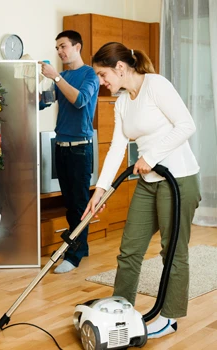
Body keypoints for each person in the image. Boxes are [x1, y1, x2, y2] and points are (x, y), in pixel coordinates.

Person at [82, 42, 201, 339]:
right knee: (130, 250)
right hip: (149, 183)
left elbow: (186, 125)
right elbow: (117, 150)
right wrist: (100, 190)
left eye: (102, 73)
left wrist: (151, 156)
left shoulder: (156, 86)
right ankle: (120, 310)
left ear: (120, 68)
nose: (100, 81)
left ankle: (170, 317)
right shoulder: (123, 101)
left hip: (179, 179)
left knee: (172, 251)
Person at [39, 30, 100, 274]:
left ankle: (74, 254)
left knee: (79, 205)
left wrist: (55, 78)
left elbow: (80, 100)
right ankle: (78, 247)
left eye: (63, 46)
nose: (60, 51)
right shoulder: (61, 76)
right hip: (60, 147)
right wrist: (37, 82)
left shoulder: (90, 75)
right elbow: (44, 102)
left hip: (79, 149)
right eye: (57, 48)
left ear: (77, 46)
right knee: (69, 204)